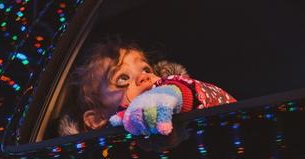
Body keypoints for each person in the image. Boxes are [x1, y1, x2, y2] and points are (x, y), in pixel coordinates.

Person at [58, 40, 236, 136]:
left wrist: (176, 93)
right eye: (123, 78)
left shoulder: (176, 93)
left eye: (146, 69)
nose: (143, 76)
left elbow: (210, 99)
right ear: (97, 119)